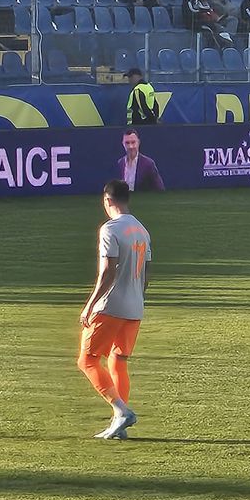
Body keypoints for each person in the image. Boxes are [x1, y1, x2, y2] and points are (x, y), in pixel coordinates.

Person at [77, 180, 151, 440]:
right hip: (135, 307)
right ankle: (118, 425)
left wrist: (90, 304)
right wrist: (138, 298)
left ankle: (121, 411)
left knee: (87, 360)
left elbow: (107, 271)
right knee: (117, 361)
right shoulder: (142, 230)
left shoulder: (110, 229)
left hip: (110, 305)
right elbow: (146, 272)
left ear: (107, 200)